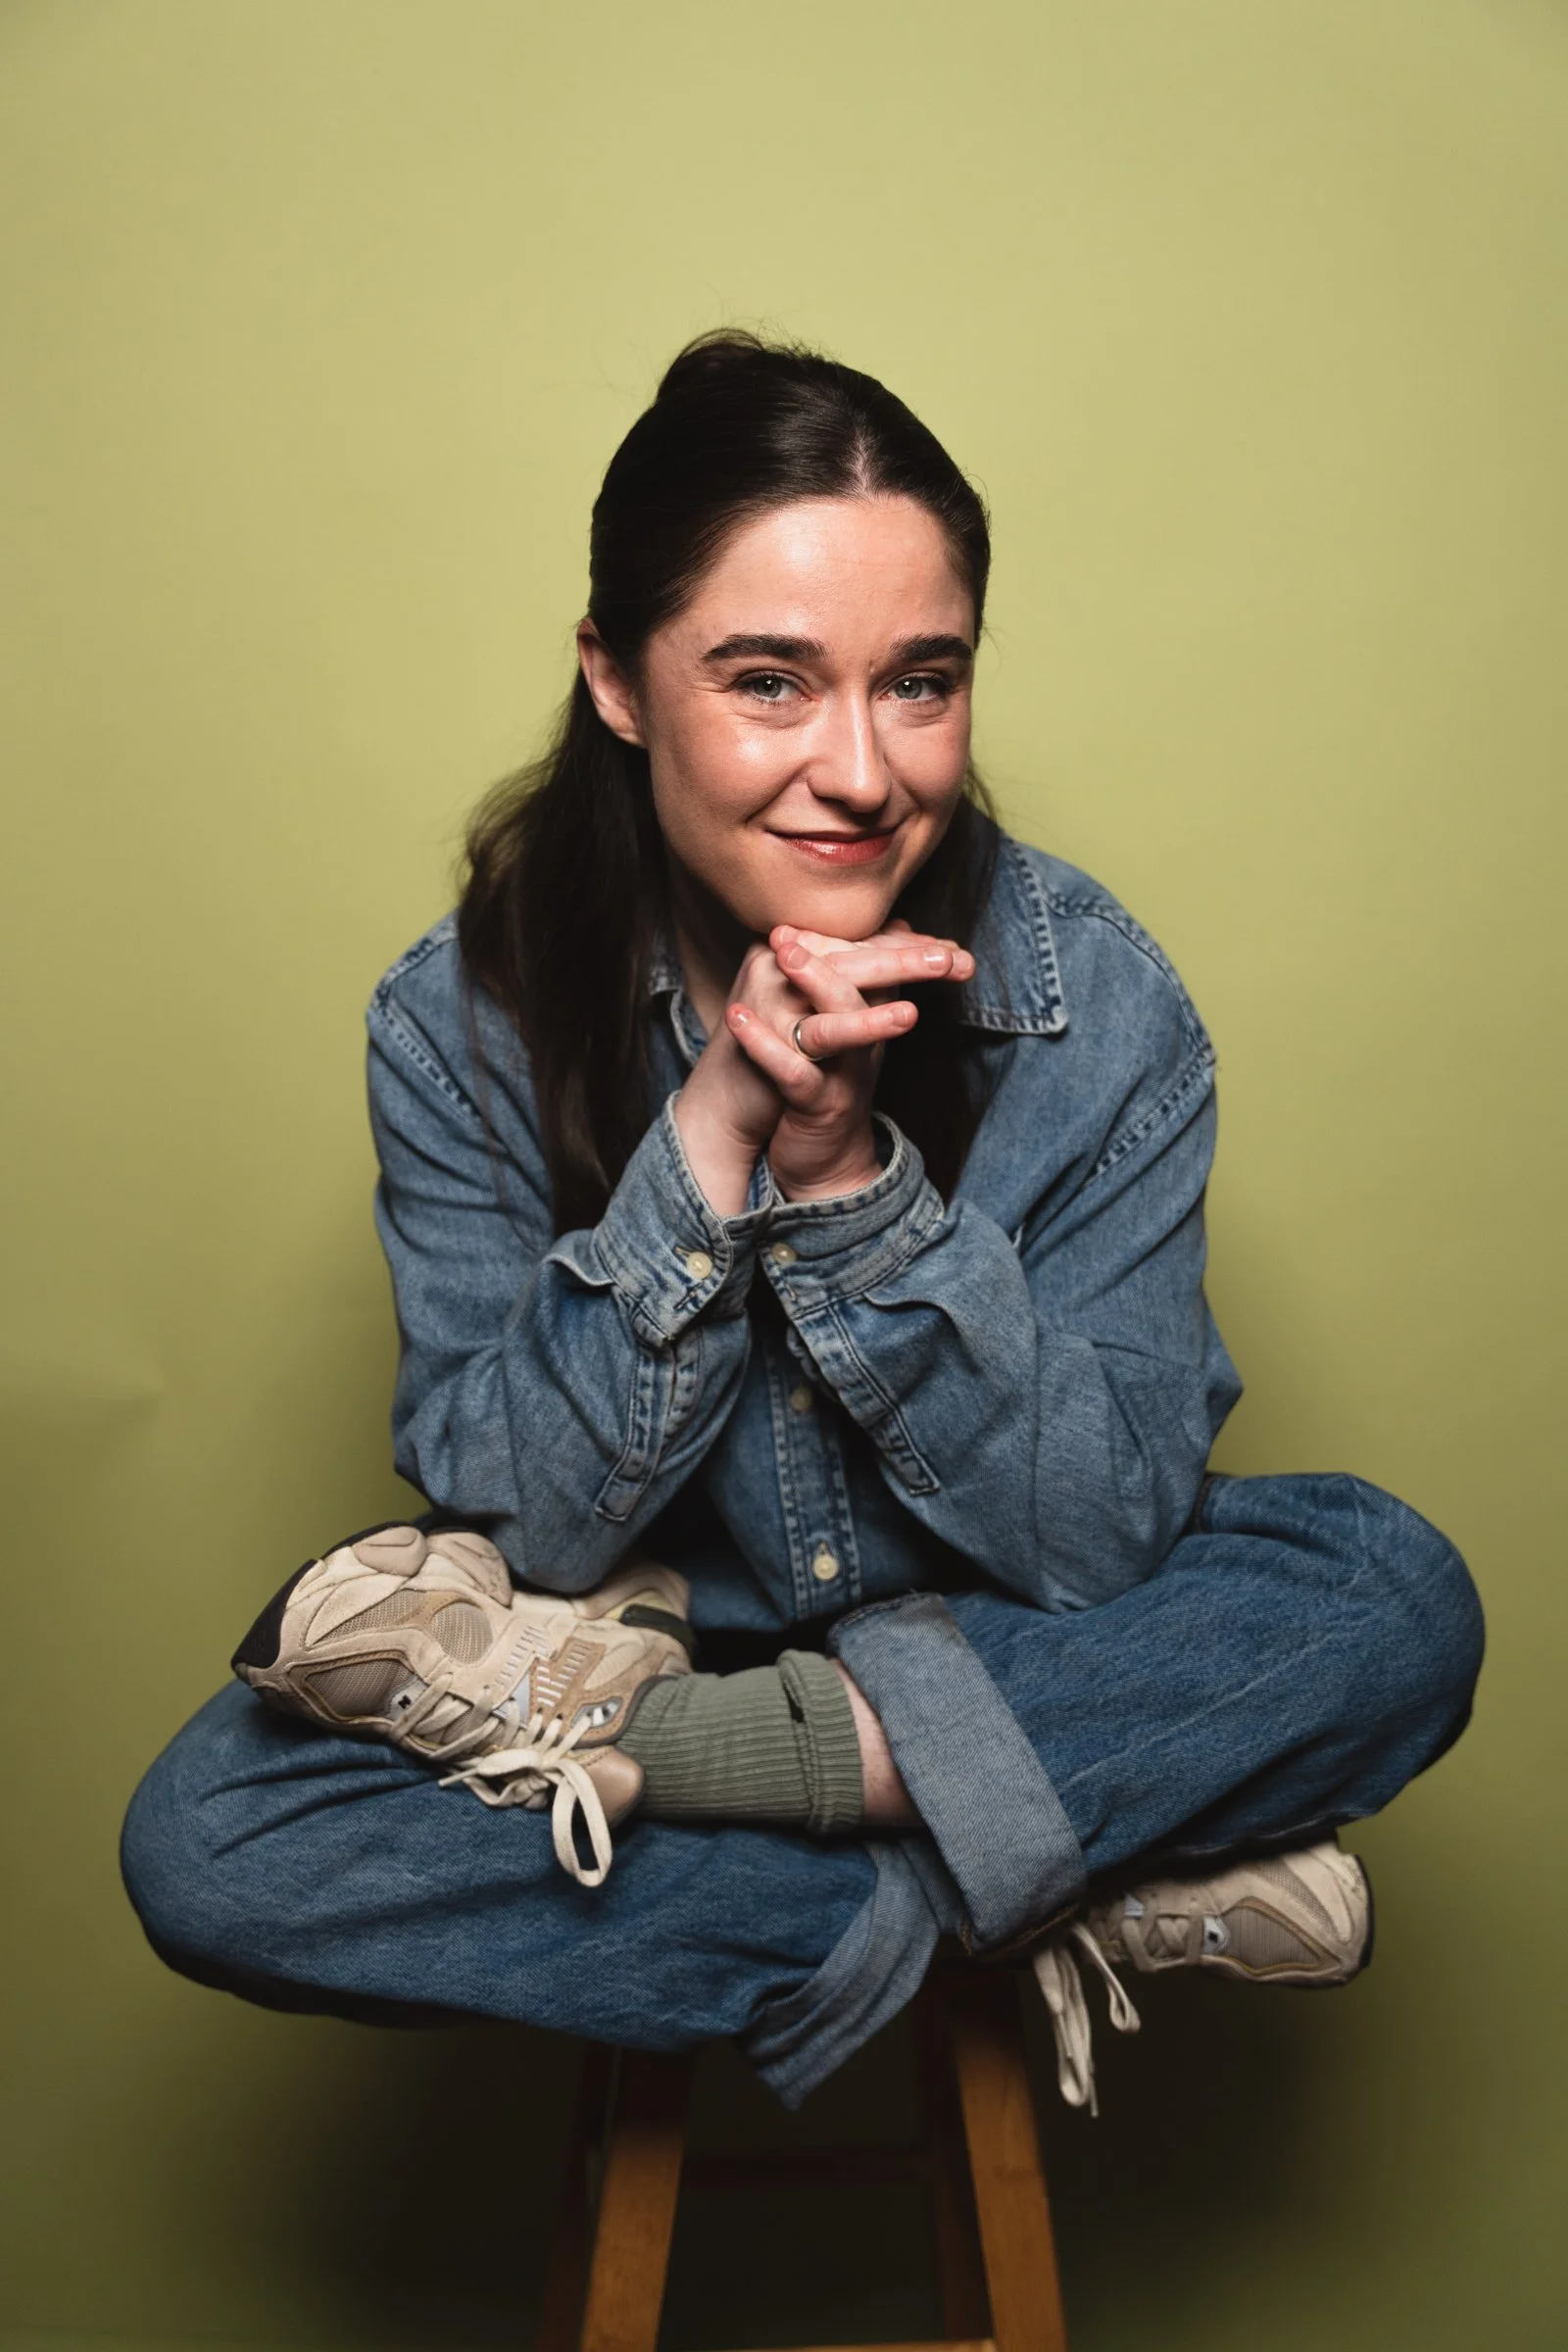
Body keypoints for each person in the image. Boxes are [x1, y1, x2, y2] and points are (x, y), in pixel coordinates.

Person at [122, 333, 1483, 2112]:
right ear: (616, 680)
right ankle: (1065, 1877)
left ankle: (758, 1776)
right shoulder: (460, 1023)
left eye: (921, 682)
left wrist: (845, 1189)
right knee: (215, 1842)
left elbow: (1104, 1542)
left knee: (1391, 1597)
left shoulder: (1099, 1005)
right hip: (666, 1633)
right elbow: (526, 1527)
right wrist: (708, 1144)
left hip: (981, 1654)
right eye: (769, 682)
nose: (859, 770)